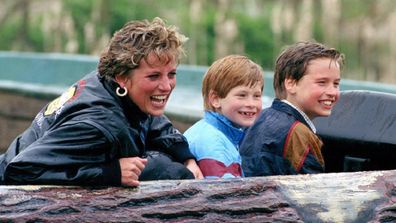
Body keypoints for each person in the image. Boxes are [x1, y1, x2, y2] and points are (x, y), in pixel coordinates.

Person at [0, 17, 203, 186]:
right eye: (154, 76)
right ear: (123, 78)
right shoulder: (98, 125)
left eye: (172, 74)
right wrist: (110, 173)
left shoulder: (109, 84)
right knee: (170, 172)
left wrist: (186, 156)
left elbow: (152, 120)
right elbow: (19, 169)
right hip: (10, 195)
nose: (167, 86)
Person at [240, 41, 345, 176]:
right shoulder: (298, 134)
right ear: (291, 84)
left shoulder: (260, 117)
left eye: (336, 84)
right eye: (322, 83)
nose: (332, 92)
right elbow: (313, 192)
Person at [184, 55, 264, 179]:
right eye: (242, 95)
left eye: (257, 96)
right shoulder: (214, 145)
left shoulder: (209, 130)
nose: (251, 104)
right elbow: (225, 196)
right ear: (215, 99)